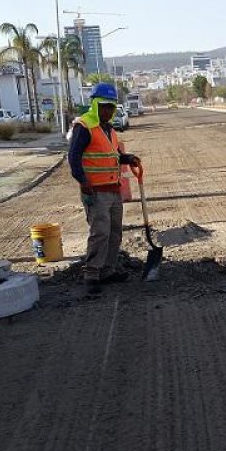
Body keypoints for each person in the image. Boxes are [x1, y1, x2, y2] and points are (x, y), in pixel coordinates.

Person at [68, 82, 140, 294]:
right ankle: (91, 273)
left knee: (115, 232)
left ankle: (108, 270)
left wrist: (128, 158)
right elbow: (73, 157)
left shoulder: (109, 130)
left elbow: (113, 156)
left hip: (113, 189)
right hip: (95, 191)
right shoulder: (84, 126)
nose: (108, 111)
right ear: (95, 104)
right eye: (105, 106)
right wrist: (83, 181)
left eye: (111, 107)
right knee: (99, 232)